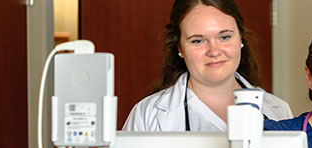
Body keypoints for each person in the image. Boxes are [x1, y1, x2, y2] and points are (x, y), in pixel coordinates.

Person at [123, 0, 292, 132]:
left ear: (240, 39)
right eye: (198, 41)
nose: (214, 51)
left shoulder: (278, 110)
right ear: (180, 48)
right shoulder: (148, 115)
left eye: (224, 37)